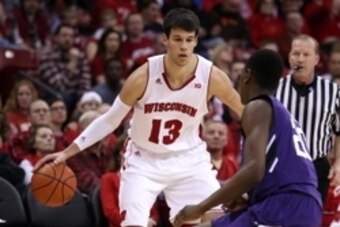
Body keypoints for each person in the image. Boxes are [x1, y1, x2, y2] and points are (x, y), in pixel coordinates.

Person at [34, 8, 244, 226]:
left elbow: (244, 110)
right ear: (165, 40)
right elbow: (109, 120)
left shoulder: (211, 76)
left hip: (189, 158)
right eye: (178, 39)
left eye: (189, 40)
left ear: (196, 41)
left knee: (217, 220)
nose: (183, 46)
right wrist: (67, 152)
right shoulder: (143, 76)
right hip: (144, 160)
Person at [174, 49, 322, 227]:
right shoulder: (283, 115)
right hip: (298, 204)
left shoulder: (258, 105)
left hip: (283, 205)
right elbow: (277, 168)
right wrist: (246, 195)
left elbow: (254, 170)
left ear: (246, 75)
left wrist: (200, 208)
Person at [276, 35, 340, 202]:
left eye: (306, 54)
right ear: (289, 57)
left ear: (317, 59)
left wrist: (338, 164)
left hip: (316, 166)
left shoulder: (332, 91)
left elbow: (339, 131)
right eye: (296, 54)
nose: (300, 59)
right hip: (282, 165)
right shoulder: (276, 89)